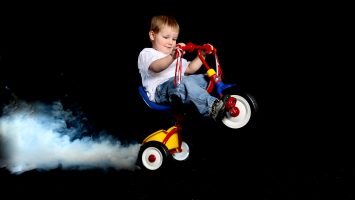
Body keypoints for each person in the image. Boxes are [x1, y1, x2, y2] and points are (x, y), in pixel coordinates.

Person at [137, 15, 229, 121]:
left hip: (180, 83)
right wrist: (172, 56)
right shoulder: (147, 53)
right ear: (153, 35)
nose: (170, 42)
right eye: (166, 37)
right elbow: (156, 67)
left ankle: (225, 96)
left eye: (174, 39)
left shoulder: (176, 55)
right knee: (183, 83)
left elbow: (190, 69)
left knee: (206, 78)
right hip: (161, 91)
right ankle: (212, 107)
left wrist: (202, 55)